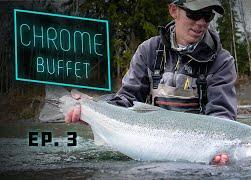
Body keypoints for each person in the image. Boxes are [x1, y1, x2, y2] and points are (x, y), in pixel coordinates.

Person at [65, 0, 237, 165]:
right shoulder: (149, 50)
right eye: (194, 13)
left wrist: (221, 149)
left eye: (207, 15)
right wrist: (92, 109)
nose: (201, 22)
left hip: (195, 155)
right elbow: (127, 99)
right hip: (146, 142)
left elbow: (221, 116)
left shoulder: (221, 61)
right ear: (173, 10)